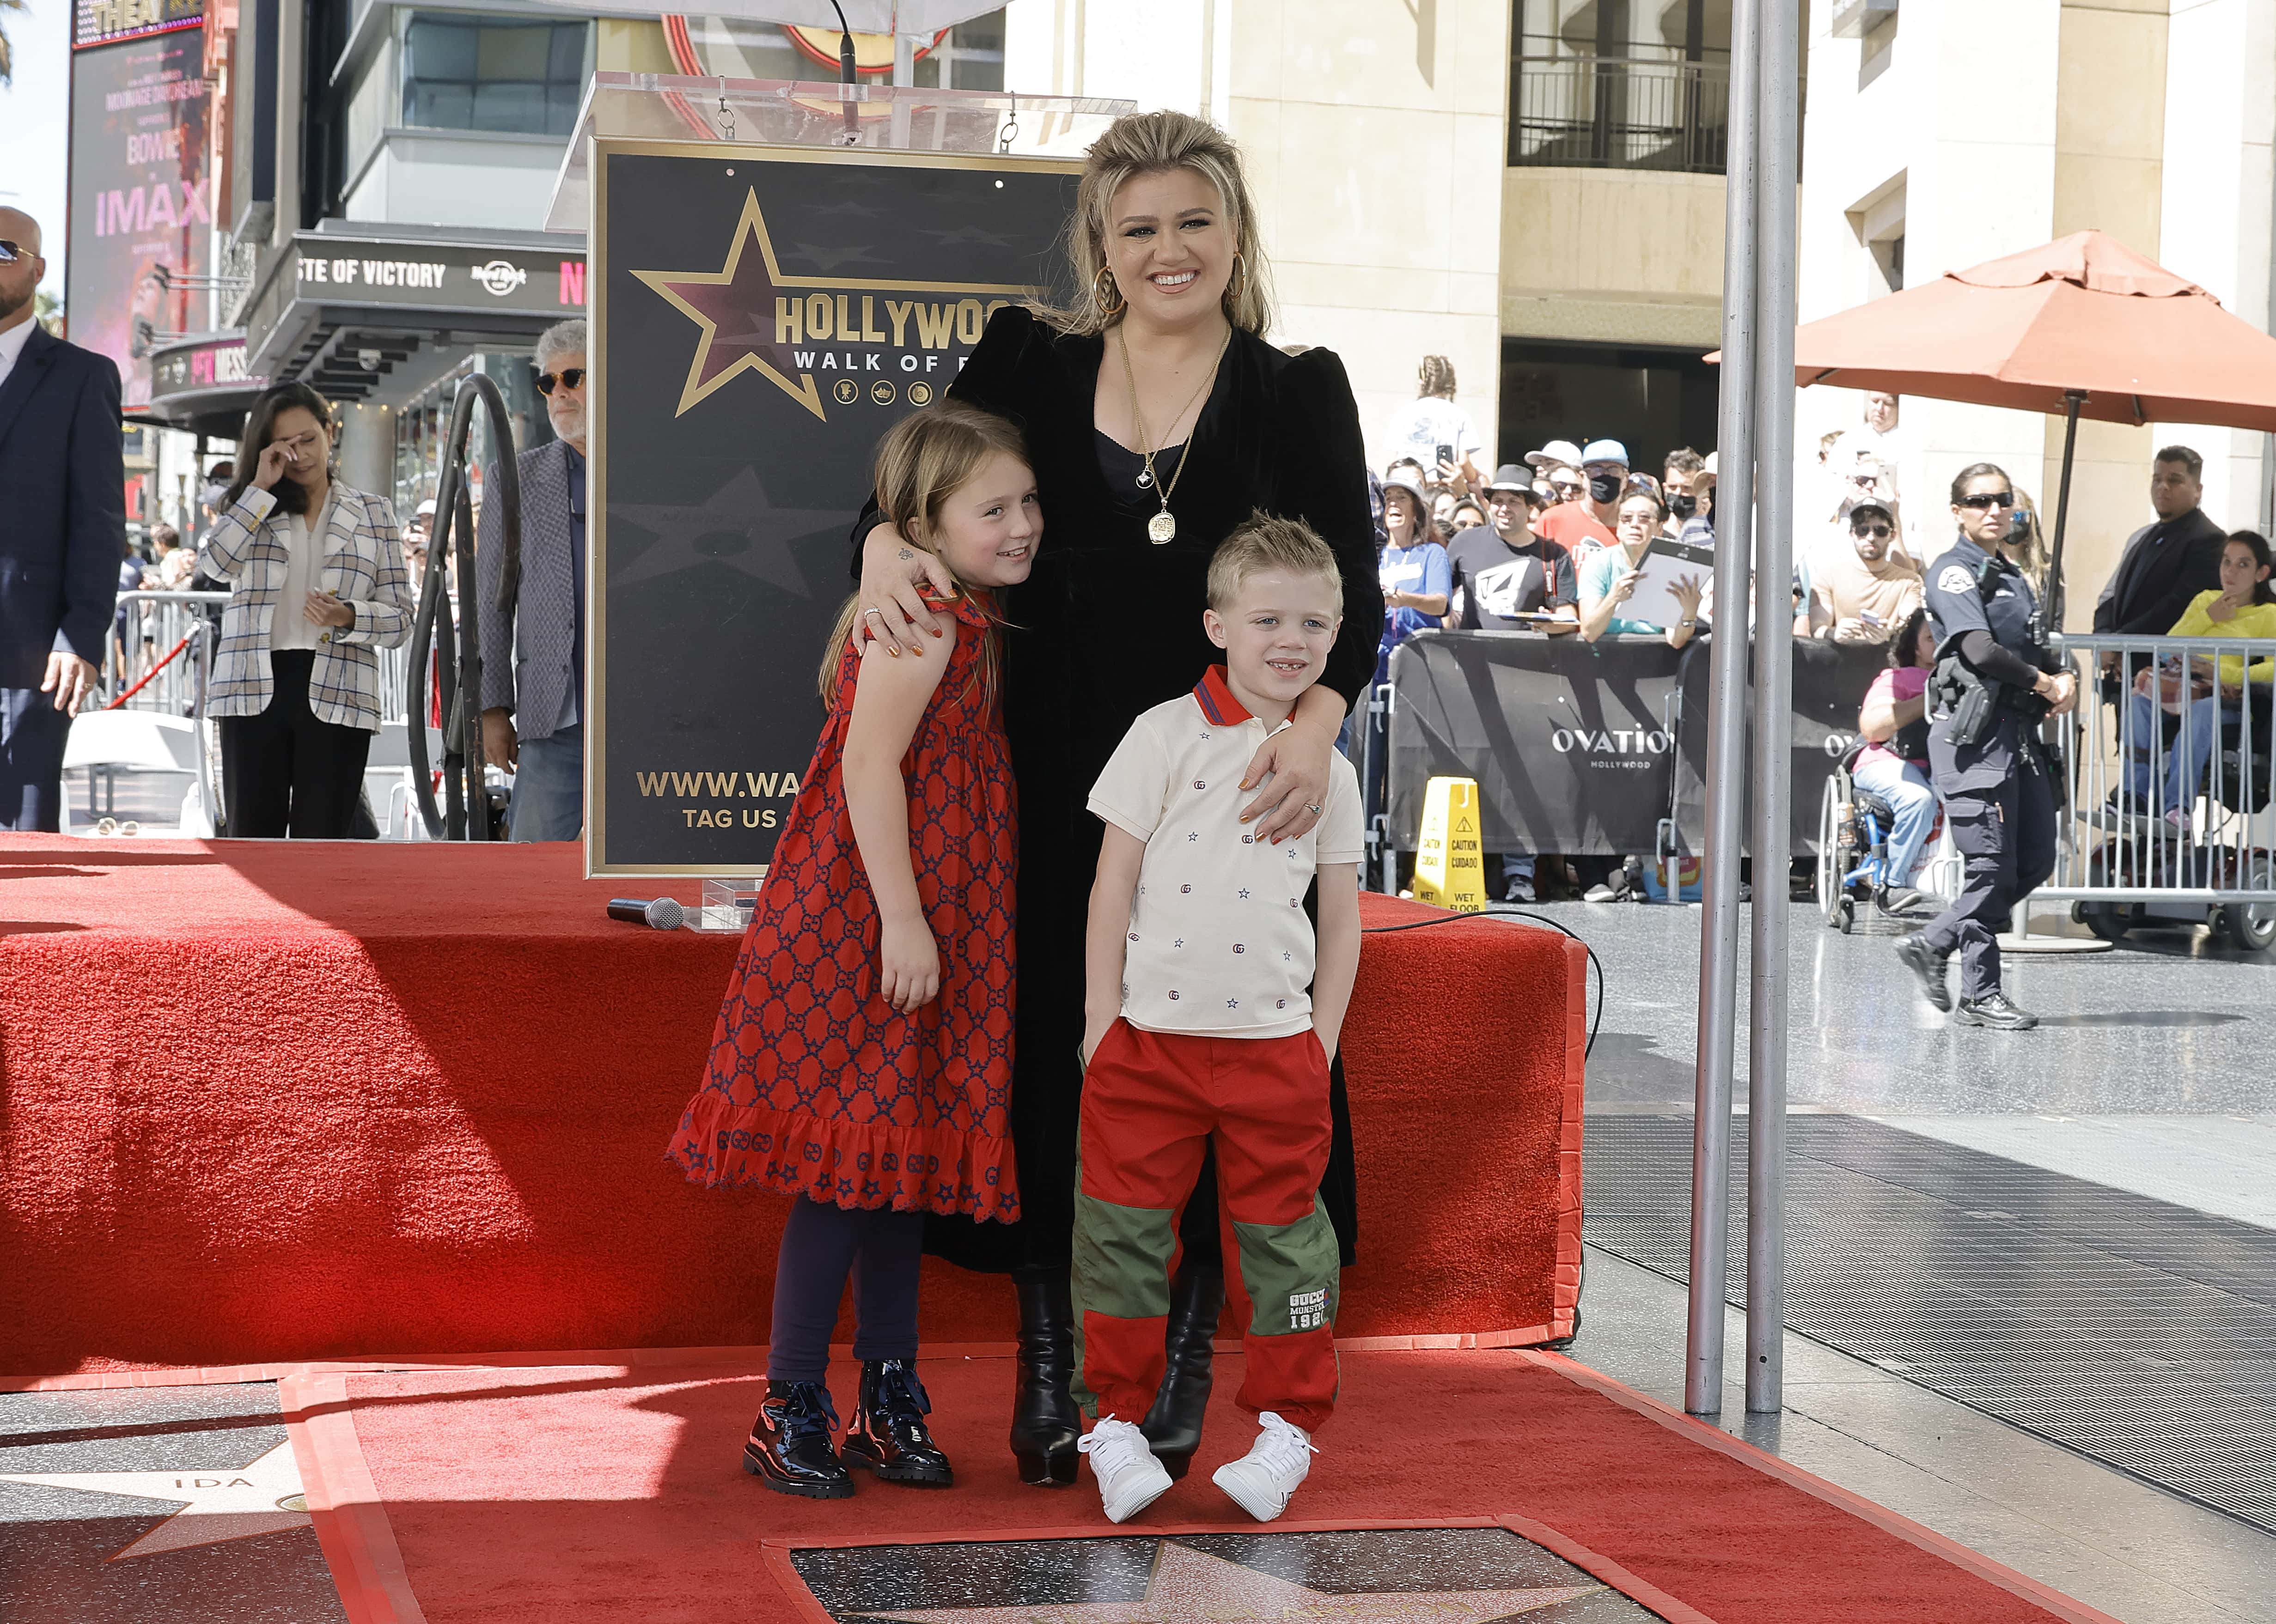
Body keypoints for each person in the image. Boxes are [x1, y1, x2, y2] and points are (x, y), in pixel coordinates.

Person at [850, 109, 1380, 1490]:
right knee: (1055, 1060)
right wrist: (875, 562)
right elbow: (911, 498)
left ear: (1232, 233)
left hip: (1238, 786)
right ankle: (1059, 1355)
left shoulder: (1298, 388)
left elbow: (1358, 593)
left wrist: (1314, 727)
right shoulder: (1028, 355)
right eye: (1137, 226)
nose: (1168, 250)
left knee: (1228, 1062)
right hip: (1035, 775)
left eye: (1192, 222)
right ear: (1100, 241)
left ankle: (1189, 1339)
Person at [668, 402, 1034, 1501]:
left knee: (896, 1171)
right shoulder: (923, 620)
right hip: (871, 921)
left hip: (927, 913)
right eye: (994, 508)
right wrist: (907, 920)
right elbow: (870, 769)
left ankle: (885, 1391)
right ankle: (788, 1402)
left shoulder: (958, 609)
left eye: (1028, 501)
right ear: (925, 522)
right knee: (846, 1171)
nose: (1023, 524)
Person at [1073, 516, 1363, 1526]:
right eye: (1268, 617)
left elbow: (1340, 914)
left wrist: (1318, 1040)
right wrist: (1099, 1020)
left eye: (1314, 624)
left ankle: (1286, 1429)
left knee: (1287, 1244)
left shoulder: (1328, 766)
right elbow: (1111, 881)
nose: (1291, 640)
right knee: (1118, 1234)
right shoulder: (1161, 733)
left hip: (1275, 1053)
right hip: (1144, 1045)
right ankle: (1110, 1425)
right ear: (1217, 623)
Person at [1894, 464, 2078, 1031]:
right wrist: (2043, 682)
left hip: (2018, 736)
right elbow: (1977, 647)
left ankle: (1935, 944)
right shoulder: (1953, 572)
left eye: (2001, 500)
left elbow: (2032, 647)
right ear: (1957, 511)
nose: (1992, 510)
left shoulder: (2014, 574)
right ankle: (1979, 988)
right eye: (1978, 501)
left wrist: (2063, 676)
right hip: (1974, 738)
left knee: (2033, 859)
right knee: (1989, 866)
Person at [203, 383, 415, 838]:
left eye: (308, 439)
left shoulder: (374, 513)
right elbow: (216, 565)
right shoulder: (249, 508)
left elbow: (401, 619)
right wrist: (260, 486)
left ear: (330, 432)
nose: (300, 455)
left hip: (340, 685)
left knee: (325, 844)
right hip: (252, 688)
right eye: (285, 445)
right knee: (251, 839)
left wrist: (349, 616)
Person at [0, 208, 125, 830]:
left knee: (27, 842)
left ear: (38, 269)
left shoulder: (84, 376)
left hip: (30, 656)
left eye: (5, 250)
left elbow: (99, 522)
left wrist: (80, 636)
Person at [479, 318, 591, 842]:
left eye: (573, 377)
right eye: (548, 383)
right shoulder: (517, 476)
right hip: (555, 719)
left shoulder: (654, 470)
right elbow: (491, 603)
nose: (558, 392)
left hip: (650, 717)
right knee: (531, 878)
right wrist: (493, 707)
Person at [2099, 529, 2276, 831]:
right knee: (2139, 703)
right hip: (2183, 686)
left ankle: (2177, 807)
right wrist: (2209, 616)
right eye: (2226, 562)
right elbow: (2168, 647)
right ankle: (2133, 796)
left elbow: (2271, 668)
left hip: (2228, 698)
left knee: (2201, 713)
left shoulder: (2268, 613)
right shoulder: (2205, 600)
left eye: (2242, 565)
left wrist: (2221, 672)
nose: (2230, 571)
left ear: (2261, 573)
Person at [2095, 446, 2226, 676]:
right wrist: (2104, 638)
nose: (2163, 487)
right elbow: (2111, 596)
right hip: (2126, 669)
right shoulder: (2143, 537)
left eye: (2175, 481)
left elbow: (2178, 605)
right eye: (2157, 479)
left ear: (2198, 490)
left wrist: (2120, 642)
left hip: (2168, 675)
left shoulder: (2209, 540)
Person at [1854, 606, 1940, 916]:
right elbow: (1874, 727)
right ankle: (1891, 884)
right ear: (1915, 647)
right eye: (1931, 638)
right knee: (1919, 800)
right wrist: (1932, 695)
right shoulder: (1897, 678)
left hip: (1939, 768)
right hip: (1885, 761)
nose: (1940, 642)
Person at [1447, 465, 1578, 634]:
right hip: (1473, 655)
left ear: (1531, 508)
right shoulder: (1465, 542)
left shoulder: (1555, 555)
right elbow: (1441, 598)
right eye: (1498, 501)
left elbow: (1568, 616)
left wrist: (1549, 625)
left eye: (1514, 502)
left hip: (1529, 657)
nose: (1504, 509)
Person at [1577, 489, 1703, 650]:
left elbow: (1675, 640)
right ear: (1617, 528)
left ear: (1659, 529)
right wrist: (1614, 598)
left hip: (1652, 662)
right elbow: (1589, 632)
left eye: (1644, 519)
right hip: (1603, 661)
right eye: (1626, 519)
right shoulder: (1598, 563)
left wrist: (1689, 613)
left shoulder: (1669, 568)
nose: (1635, 525)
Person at [1803, 500, 1922, 643]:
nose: (1871, 538)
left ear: (1893, 535)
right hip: (1841, 661)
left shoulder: (1910, 581)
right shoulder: (1827, 577)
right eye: (1863, 530)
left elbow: (1911, 627)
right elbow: (1817, 628)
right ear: (1852, 533)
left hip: (1890, 660)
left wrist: (1889, 634)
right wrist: (1834, 633)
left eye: (1880, 531)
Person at [1374, 472, 1449, 681]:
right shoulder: (1372, 556)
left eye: (1402, 498)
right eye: (1388, 499)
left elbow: (1440, 605)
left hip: (1421, 666)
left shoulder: (1432, 553)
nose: (1393, 504)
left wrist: (1404, 599)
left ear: (1416, 511)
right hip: (1377, 665)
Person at [1383, 354, 1483, 493]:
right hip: (1442, 488)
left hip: (1409, 486)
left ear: (1422, 381)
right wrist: (1475, 479)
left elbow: (1394, 460)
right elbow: (1463, 462)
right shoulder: (1459, 414)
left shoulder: (1403, 413)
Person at [1537, 438, 1626, 554]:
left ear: (1626, 478)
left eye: (1613, 470)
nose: (1604, 475)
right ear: (1583, 477)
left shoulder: (1633, 527)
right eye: (1596, 469)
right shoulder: (1552, 519)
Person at [1662, 448, 1707, 539]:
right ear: (1665, 488)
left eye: (1687, 488)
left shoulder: (1714, 535)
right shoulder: (1656, 535)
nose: (1678, 493)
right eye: (1673, 487)